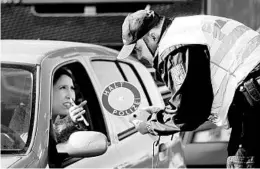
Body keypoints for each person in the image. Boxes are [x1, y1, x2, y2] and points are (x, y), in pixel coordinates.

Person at [117, 10, 260, 168]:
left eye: (137, 49)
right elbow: (199, 101)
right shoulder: (186, 29)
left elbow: (191, 110)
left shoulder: (173, 46)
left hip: (252, 93)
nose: (140, 57)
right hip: (252, 90)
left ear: (152, 36)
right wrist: (165, 113)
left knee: (243, 162)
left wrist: (151, 125)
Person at [52, 67, 89, 143]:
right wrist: (69, 122)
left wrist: (77, 123)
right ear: (47, 90)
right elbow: (47, 145)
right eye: (63, 87)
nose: (70, 96)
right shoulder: (28, 121)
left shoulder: (62, 122)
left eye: (72, 88)